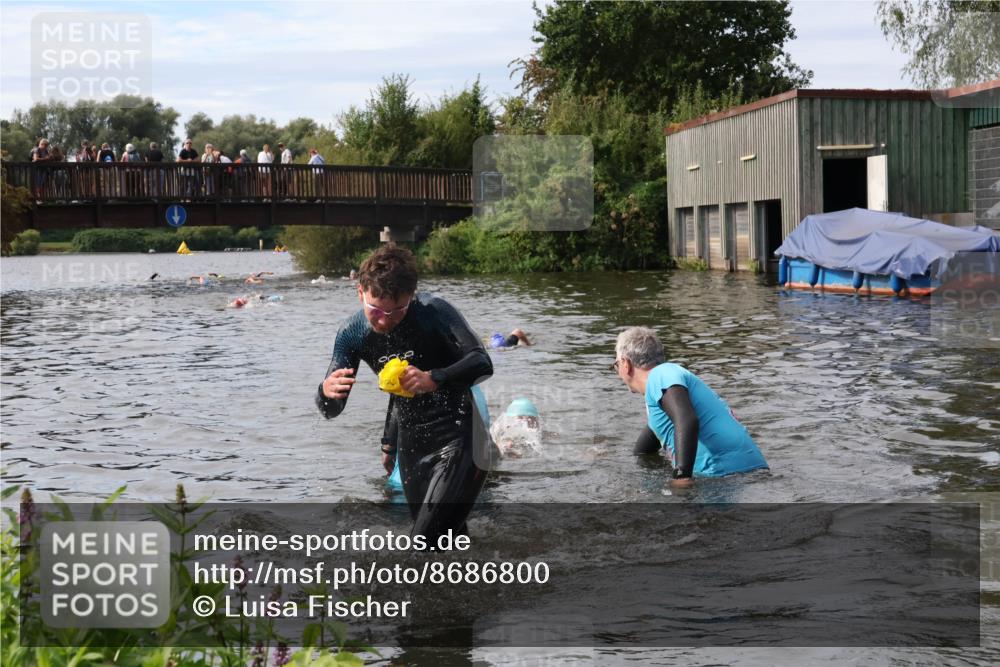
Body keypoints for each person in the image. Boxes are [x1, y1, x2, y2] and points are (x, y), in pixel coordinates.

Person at [317, 245, 493, 540]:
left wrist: (435, 377)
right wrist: (326, 393)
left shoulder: (434, 311)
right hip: (413, 449)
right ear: (360, 292)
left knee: (424, 542)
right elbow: (332, 410)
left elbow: (482, 362)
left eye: (397, 310)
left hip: (461, 439)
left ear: (411, 296)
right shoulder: (352, 333)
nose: (385, 320)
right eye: (376, 310)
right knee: (446, 542)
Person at [613, 326, 768, 487]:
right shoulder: (663, 394)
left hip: (722, 475)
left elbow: (686, 419)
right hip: (751, 474)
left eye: (616, 365)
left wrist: (681, 477)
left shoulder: (661, 374)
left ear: (625, 364)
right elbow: (643, 452)